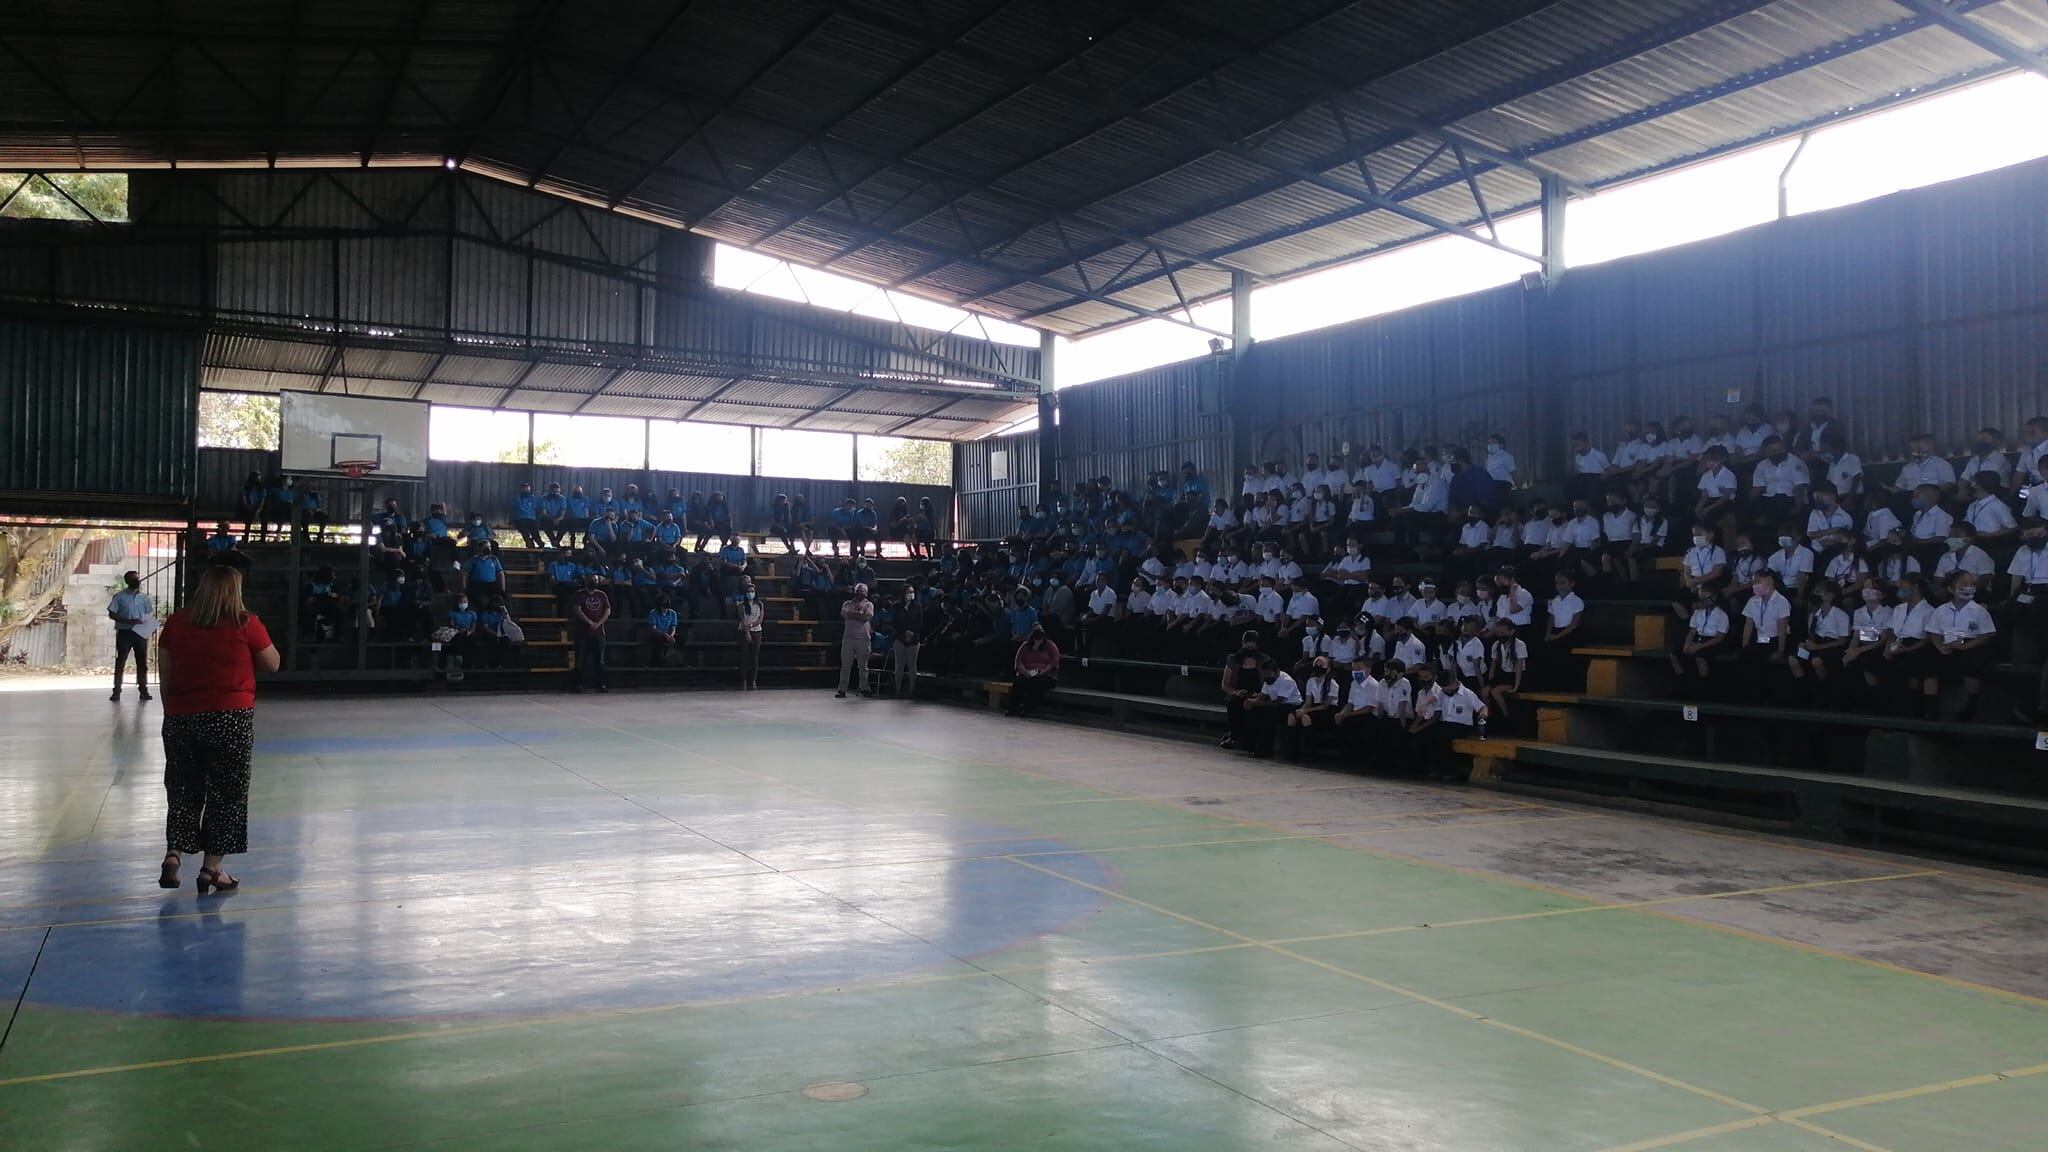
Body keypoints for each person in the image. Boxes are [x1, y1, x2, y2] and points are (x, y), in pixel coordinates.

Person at [155, 562, 280, 895]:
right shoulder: (246, 623)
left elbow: (165, 674)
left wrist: (172, 713)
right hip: (230, 718)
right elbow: (273, 663)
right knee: (227, 794)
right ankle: (211, 870)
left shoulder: (176, 623)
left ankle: (173, 854)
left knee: (183, 789)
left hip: (181, 717)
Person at [108, 569, 154, 703]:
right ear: (127, 581)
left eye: (138, 579)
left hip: (140, 632)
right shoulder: (119, 597)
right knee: (121, 661)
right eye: (134, 579)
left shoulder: (144, 598)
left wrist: (148, 628)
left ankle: (143, 690)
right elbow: (112, 614)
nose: (137, 581)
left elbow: (148, 614)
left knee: (142, 663)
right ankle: (116, 691)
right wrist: (128, 621)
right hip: (125, 632)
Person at [568, 571, 612, 694]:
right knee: (580, 660)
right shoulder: (579, 594)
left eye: (596, 580)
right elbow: (577, 610)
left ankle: (601, 684)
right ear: (586, 581)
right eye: (592, 580)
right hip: (582, 632)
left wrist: (598, 623)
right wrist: (589, 622)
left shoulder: (602, 595)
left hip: (599, 633)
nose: (594, 582)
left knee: (600, 660)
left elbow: (607, 611)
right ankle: (578, 684)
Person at [1007, 623, 1061, 717]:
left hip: (1045, 674)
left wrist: (1042, 672)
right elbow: (1018, 660)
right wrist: (1025, 672)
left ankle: (1027, 709)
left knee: (1037, 684)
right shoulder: (1025, 645)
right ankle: (1013, 708)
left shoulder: (1050, 645)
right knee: (1018, 682)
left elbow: (1054, 661)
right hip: (1027, 673)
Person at [838, 582, 875, 698]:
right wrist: (858, 613)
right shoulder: (847, 603)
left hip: (863, 639)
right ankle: (842, 689)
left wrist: (852, 614)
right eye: (857, 591)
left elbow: (867, 617)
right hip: (848, 638)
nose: (859, 593)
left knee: (863, 666)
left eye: (861, 591)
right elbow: (844, 613)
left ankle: (864, 688)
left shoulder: (869, 604)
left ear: (866, 593)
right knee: (845, 666)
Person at [894, 586, 924, 699]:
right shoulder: (897, 606)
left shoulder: (917, 606)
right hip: (899, 638)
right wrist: (904, 632)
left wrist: (912, 633)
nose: (911, 594)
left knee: (912, 666)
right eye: (908, 592)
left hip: (914, 639)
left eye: (912, 592)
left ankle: (912, 690)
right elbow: (895, 622)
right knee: (899, 666)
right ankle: (897, 689)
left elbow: (919, 622)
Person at [647, 594, 681, 669]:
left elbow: (673, 627)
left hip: (668, 634)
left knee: (681, 639)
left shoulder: (673, 613)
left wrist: (671, 636)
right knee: (659, 640)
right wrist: (665, 635)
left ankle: (680, 662)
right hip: (657, 634)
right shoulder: (653, 613)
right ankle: (658, 662)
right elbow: (653, 629)